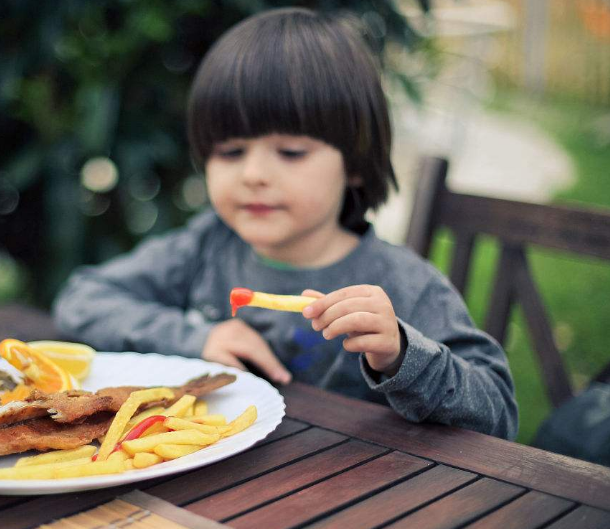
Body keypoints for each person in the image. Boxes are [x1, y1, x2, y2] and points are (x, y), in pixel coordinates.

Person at [53, 7, 518, 440]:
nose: (253, 174)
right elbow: (83, 298)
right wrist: (201, 336)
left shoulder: (405, 284)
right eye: (231, 152)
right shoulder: (208, 246)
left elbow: (498, 413)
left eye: (291, 152)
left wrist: (400, 354)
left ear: (354, 164)